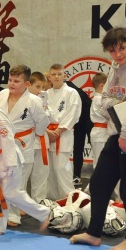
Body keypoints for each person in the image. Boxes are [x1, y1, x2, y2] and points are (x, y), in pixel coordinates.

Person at [71, 27, 126, 250]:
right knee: (99, 183)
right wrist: (119, 105)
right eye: (112, 50)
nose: (118, 54)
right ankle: (94, 233)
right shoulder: (115, 68)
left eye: (122, 48)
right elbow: (105, 98)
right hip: (116, 134)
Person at [0, 82, 51, 235]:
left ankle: (43, 212)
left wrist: (11, 164)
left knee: (11, 193)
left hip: (7, 157)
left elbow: (7, 138)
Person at [0, 65, 49, 227]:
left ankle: (14, 216)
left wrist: (36, 134)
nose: (11, 84)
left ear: (27, 84)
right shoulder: (1, 96)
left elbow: (42, 122)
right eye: (10, 80)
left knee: (17, 184)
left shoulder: (34, 101)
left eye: (16, 81)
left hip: (22, 145)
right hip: (1, 145)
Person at [46, 63, 81, 200]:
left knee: (61, 168)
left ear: (64, 75)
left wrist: (58, 131)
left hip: (63, 133)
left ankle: (69, 199)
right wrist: (48, 131)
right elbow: (40, 114)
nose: (56, 77)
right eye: (53, 74)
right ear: (49, 77)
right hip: (47, 134)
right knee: (49, 170)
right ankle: (52, 199)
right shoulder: (46, 94)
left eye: (59, 74)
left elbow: (73, 114)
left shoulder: (72, 93)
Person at [25, 71, 52, 205]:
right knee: (23, 175)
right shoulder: (23, 101)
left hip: (42, 141)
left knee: (41, 174)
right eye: (37, 87)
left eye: (43, 87)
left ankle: (39, 201)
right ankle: (21, 203)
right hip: (27, 142)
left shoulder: (43, 101)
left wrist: (45, 107)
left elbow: (50, 119)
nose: (40, 90)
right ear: (28, 85)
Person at [65, 78, 93, 185]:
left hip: (89, 118)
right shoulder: (56, 91)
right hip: (79, 120)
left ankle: (102, 176)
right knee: (77, 148)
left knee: (95, 147)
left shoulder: (68, 87)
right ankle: (77, 176)